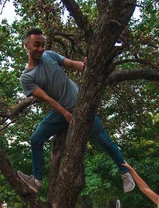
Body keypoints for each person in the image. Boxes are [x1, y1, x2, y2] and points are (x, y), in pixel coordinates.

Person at [16, 28, 135, 194]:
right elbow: (48, 99)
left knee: (103, 139)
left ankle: (125, 173)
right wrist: (65, 114)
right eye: (37, 45)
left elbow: (73, 64)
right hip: (60, 111)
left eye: (43, 45)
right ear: (26, 46)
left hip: (81, 103)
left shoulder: (49, 55)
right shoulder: (27, 77)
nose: (41, 49)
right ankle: (36, 180)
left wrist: (84, 65)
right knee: (36, 139)